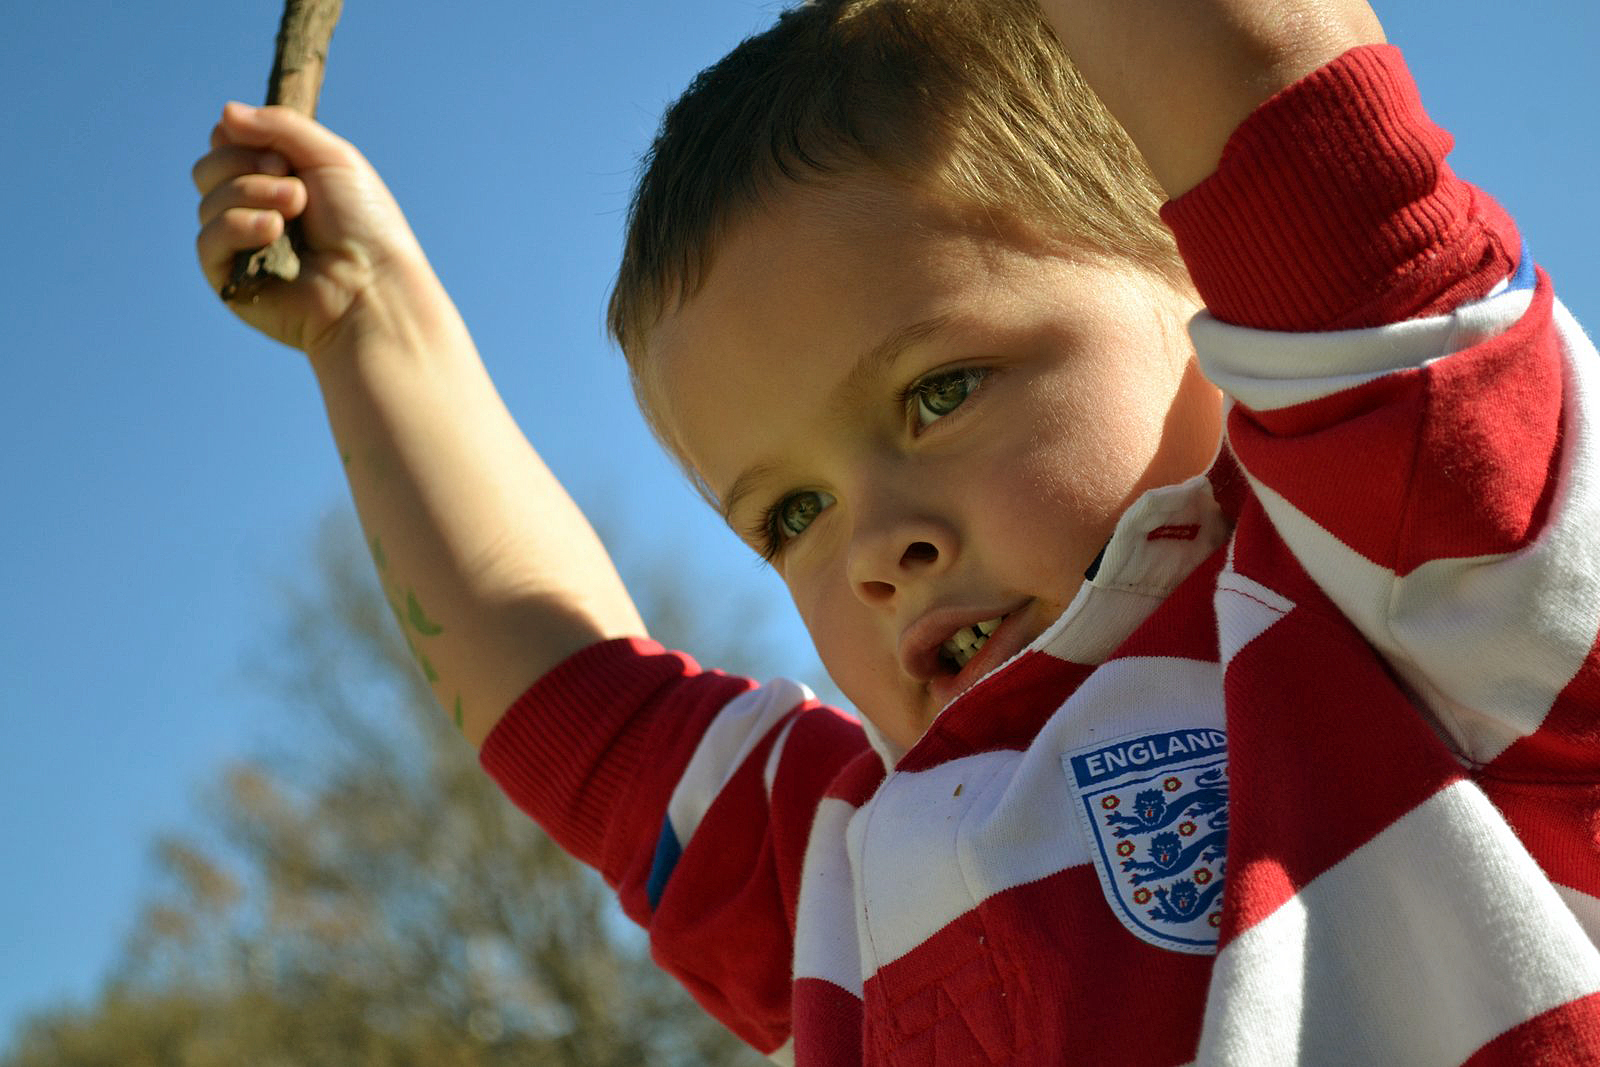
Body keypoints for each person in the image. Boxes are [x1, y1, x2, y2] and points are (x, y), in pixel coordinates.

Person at [191, 0, 1600, 1061]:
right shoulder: (846, 870)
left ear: (1207, 286)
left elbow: (1300, 146)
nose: (874, 546)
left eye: (939, 392)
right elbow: (573, 699)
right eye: (788, 512)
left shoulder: (1412, 596)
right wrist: (367, 328)